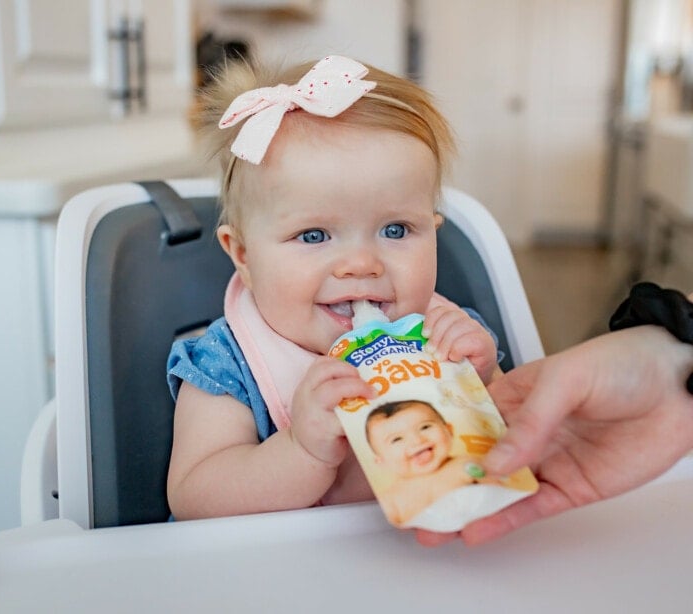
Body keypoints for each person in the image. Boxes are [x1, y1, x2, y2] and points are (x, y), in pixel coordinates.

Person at [165, 55, 503, 520]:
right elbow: (193, 498)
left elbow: (522, 451)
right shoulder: (228, 364)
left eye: (396, 230)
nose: (361, 264)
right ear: (243, 255)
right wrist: (301, 451)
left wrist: (484, 388)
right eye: (314, 236)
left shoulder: (446, 335)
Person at [415, 322, 693, 547]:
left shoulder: (450, 326)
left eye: (395, 246)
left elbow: (500, 409)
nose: (369, 263)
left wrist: (481, 372)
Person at [365, 399, 501, 526]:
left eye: (424, 427)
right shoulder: (390, 499)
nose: (417, 440)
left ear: (449, 430)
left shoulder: (466, 465)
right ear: (381, 461)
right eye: (397, 439)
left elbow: (499, 493)